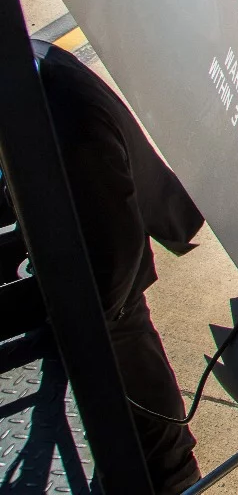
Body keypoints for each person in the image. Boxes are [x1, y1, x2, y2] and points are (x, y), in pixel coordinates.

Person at [35, 38, 206, 494]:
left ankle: (171, 478)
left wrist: (91, 318)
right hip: (94, 250)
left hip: (107, 276)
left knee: (129, 359)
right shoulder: (34, 67)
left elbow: (116, 252)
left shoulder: (60, 110)